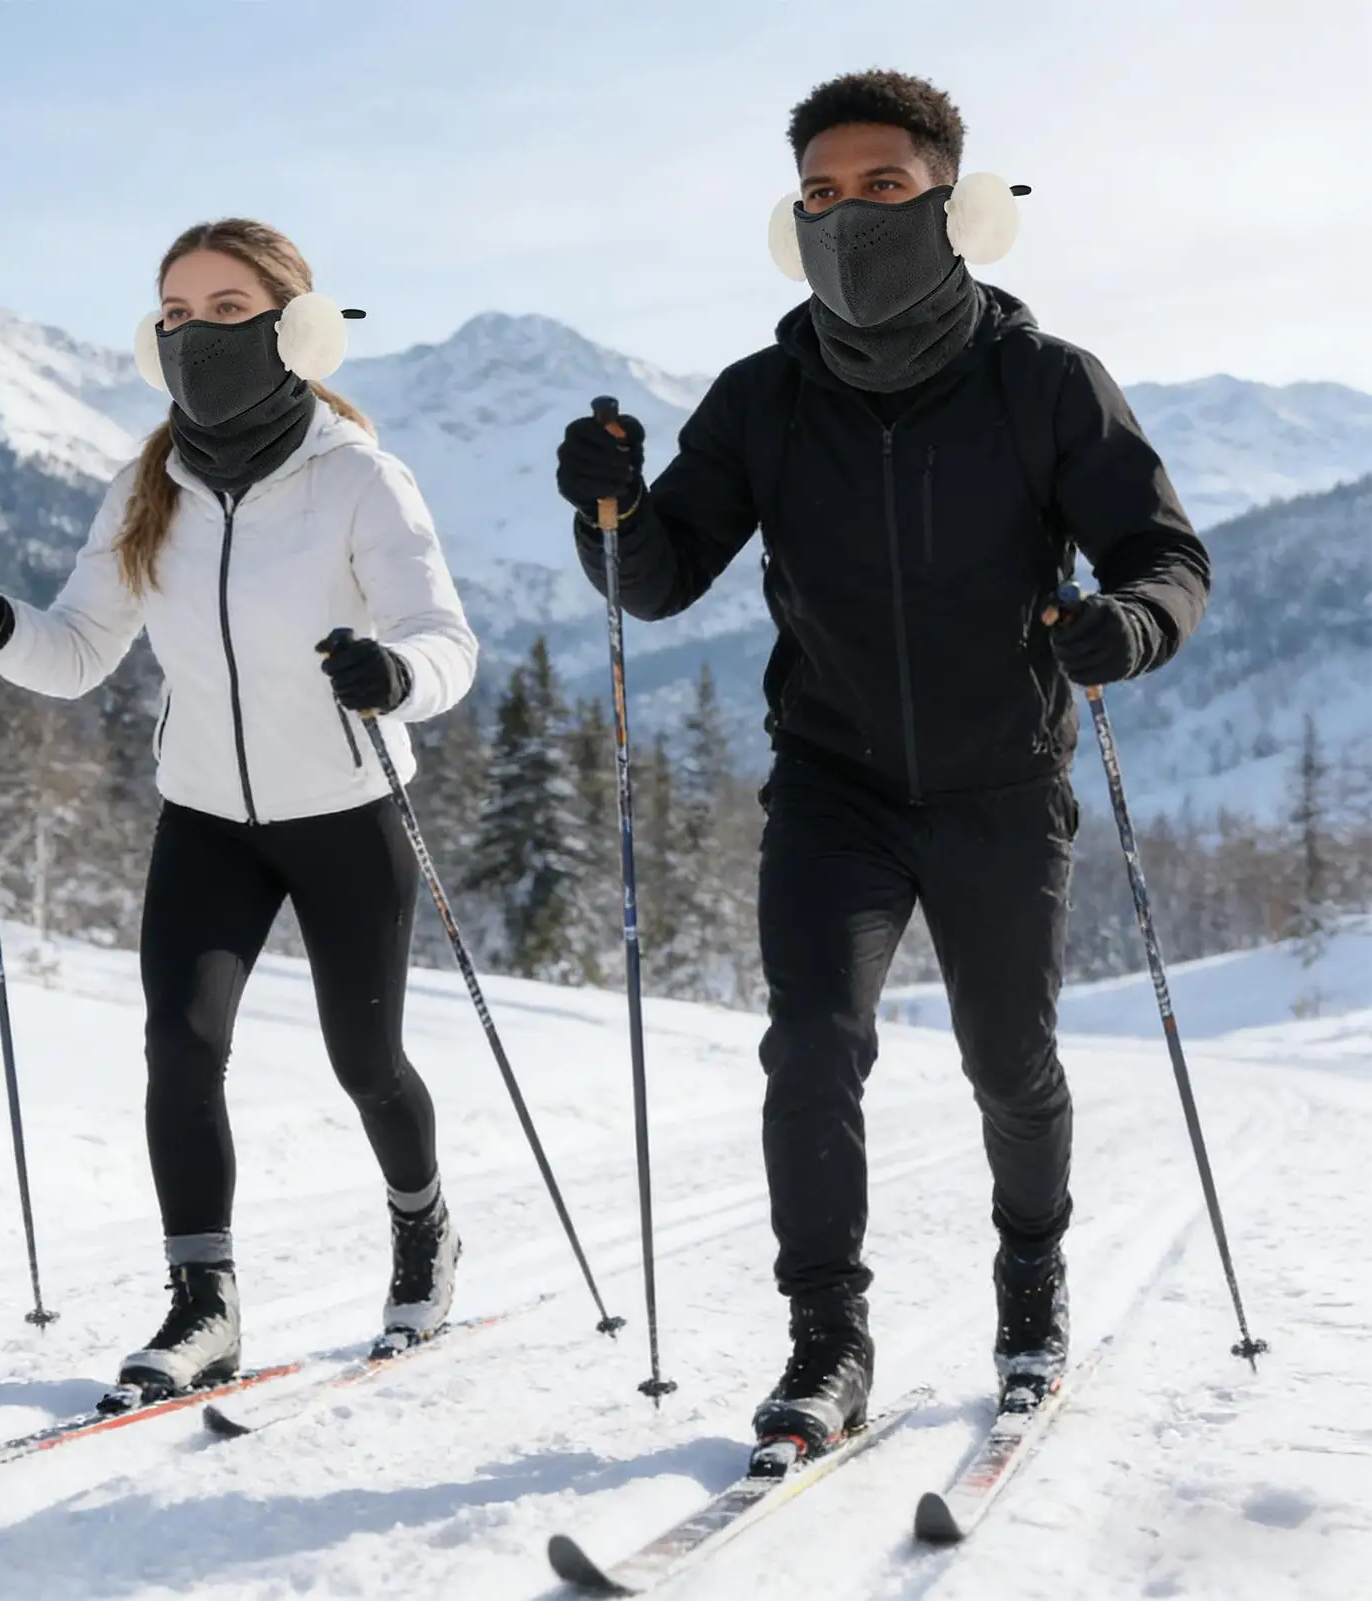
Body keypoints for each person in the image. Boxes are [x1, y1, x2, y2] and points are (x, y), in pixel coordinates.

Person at [555, 72, 1210, 1448]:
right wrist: (607, 504)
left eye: (881, 188)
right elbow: (660, 580)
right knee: (809, 1046)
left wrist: (1127, 625)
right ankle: (825, 1344)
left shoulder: (1043, 383)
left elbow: (1164, 556)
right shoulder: (762, 400)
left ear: (955, 206)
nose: (847, 216)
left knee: (1009, 1059)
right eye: (819, 196)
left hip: (999, 781)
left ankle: (1029, 1292)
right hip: (834, 781)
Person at [0, 218, 478, 1403]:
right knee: (180, 1042)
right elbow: (77, 653)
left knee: (365, 1059)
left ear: (296, 326)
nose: (196, 332)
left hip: (343, 807)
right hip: (207, 818)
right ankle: (203, 1303)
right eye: (176, 313)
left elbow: (446, 644)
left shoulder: (356, 476)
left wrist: (394, 675)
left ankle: (424, 1226)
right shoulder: (148, 481)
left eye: (228, 309)